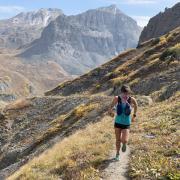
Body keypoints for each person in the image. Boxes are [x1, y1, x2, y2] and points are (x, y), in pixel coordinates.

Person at [108, 85, 138, 161]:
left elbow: (136, 106)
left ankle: (124, 144)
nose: (126, 95)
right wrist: (110, 113)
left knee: (124, 140)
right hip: (117, 122)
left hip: (126, 123)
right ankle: (117, 154)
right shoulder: (117, 98)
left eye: (127, 93)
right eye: (124, 93)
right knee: (117, 140)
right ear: (121, 92)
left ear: (129, 93)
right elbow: (111, 107)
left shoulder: (131, 99)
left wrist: (134, 115)